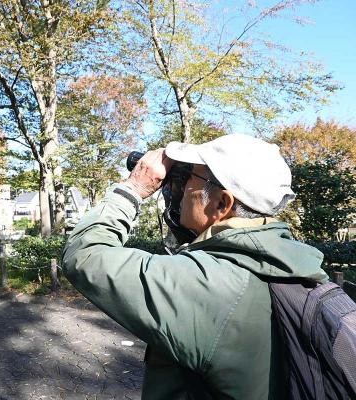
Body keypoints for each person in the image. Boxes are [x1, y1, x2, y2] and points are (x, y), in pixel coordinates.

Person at [62, 134, 328, 399]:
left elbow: (84, 255)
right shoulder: (286, 267)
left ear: (222, 203)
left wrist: (133, 189)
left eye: (189, 176)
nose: (179, 187)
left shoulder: (210, 284)